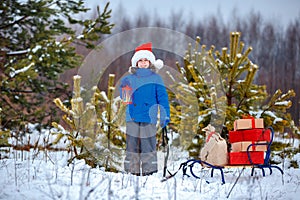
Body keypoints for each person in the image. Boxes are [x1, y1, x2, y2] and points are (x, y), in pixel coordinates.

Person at [120, 42, 170, 176]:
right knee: (132, 146)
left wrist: (165, 115)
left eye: (145, 60)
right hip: (132, 117)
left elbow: (163, 99)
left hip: (149, 118)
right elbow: (125, 99)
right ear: (135, 63)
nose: (143, 63)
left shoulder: (156, 79)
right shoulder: (129, 79)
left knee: (148, 146)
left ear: (150, 62)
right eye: (140, 61)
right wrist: (125, 88)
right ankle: (132, 171)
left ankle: (150, 171)